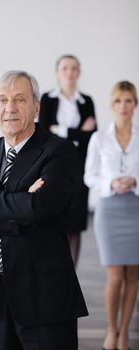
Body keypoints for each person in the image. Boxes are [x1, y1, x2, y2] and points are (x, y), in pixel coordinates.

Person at [0, 70, 88, 350]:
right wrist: (19, 207)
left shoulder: (59, 151)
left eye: (19, 99)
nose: (10, 108)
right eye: (2, 100)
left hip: (44, 294)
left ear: (36, 106)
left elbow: (41, 207)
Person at [84, 81, 139, 350]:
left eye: (129, 101)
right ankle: (111, 329)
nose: (123, 106)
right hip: (108, 210)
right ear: (112, 105)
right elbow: (89, 176)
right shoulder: (99, 138)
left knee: (133, 276)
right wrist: (112, 184)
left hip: (136, 208)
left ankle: (125, 332)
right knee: (115, 275)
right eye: (118, 101)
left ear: (135, 104)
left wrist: (135, 181)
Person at [39, 54, 97, 266]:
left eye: (74, 68)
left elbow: (93, 136)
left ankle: (70, 273)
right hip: (52, 166)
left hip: (79, 167)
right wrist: (78, 132)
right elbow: (44, 132)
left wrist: (61, 130)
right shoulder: (47, 99)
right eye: (65, 68)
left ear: (79, 72)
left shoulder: (86, 101)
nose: (69, 72)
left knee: (75, 222)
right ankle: (53, 271)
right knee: (53, 218)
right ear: (57, 72)